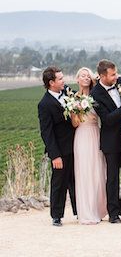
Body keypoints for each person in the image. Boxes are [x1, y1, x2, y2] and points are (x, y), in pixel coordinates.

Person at [91, 59, 121, 224]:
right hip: (111, 141)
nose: (117, 77)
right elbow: (108, 119)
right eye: (112, 74)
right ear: (102, 76)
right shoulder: (95, 94)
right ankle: (114, 213)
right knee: (112, 177)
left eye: (116, 73)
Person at [38, 66, 76, 227]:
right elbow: (47, 133)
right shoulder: (44, 104)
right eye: (60, 79)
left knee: (76, 180)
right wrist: (55, 156)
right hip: (60, 150)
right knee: (59, 182)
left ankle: (80, 211)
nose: (64, 81)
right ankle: (56, 215)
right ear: (51, 82)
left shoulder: (68, 92)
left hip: (77, 145)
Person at [71, 67, 107, 225]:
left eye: (88, 76)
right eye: (82, 76)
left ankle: (98, 209)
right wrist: (76, 111)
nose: (85, 78)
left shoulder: (96, 95)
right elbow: (74, 123)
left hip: (95, 133)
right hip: (81, 135)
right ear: (77, 79)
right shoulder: (73, 98)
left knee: (98, 172)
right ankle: (86, 212)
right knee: (84, 172)